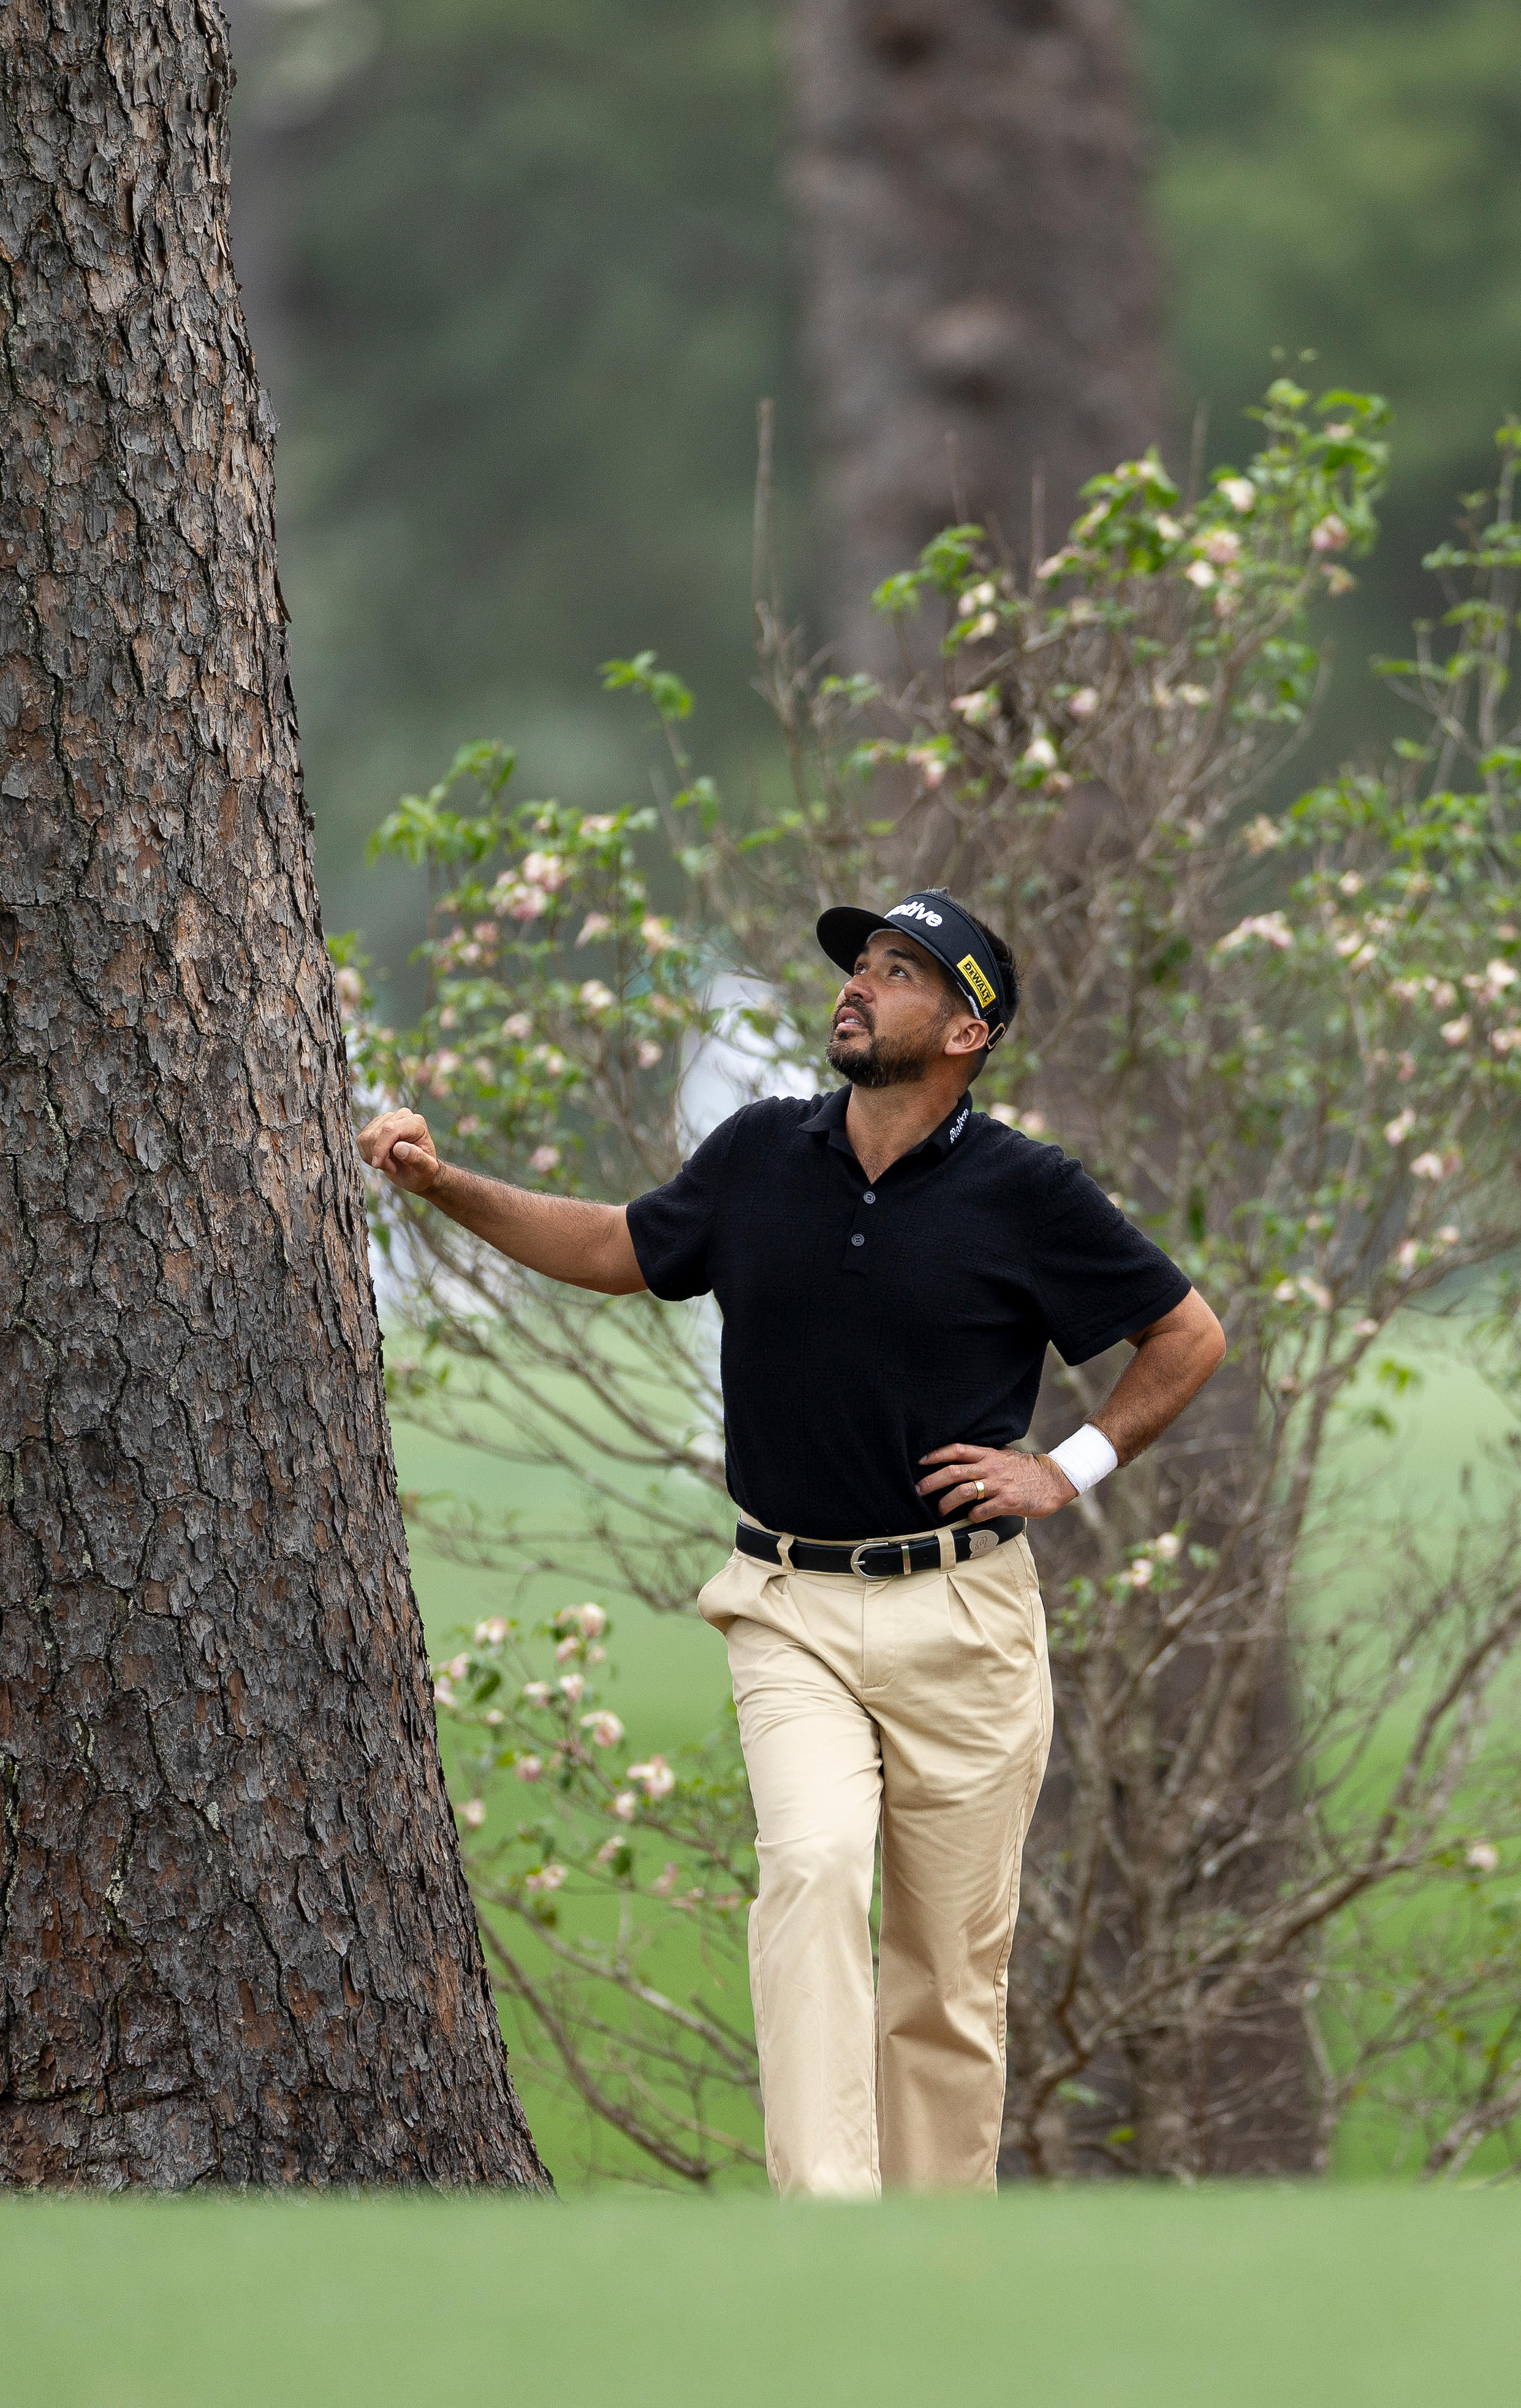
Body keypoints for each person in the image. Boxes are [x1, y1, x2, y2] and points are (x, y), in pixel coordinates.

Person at [360, 888, 1226, 2198]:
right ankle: (825, 2235)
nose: (858, 985)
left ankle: (932, 2276)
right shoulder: (762, 1150)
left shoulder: (1028, 1190)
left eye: (898, 971)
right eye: (860, 964)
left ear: (964, 1032)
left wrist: (1064, 1467)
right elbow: (615, 1245)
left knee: (946, 1976)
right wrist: (441, 1186)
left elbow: (1188, 1334)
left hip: (968, 1623)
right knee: (813, 1865)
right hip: (788, 1606)